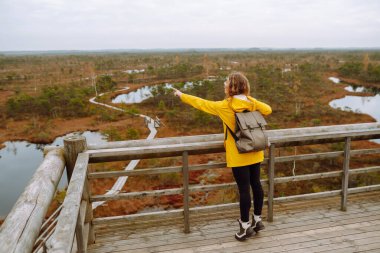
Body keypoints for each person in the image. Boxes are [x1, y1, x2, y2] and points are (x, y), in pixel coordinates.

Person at [173, 72, 272, 241]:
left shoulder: (225, 106)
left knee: (243, 189)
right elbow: (268, 110)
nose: (224, 85)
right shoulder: (251, 103)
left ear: (231, 87)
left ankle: (245, 227)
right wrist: (250, 99)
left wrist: (182, 95)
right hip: (255, 150)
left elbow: (201, 103)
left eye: (226, 82)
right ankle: (257, 220)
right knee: (256, 185)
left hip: (239, 153)